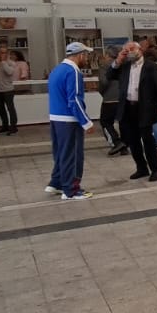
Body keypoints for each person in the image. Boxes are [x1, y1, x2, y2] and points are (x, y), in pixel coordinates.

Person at [114, 41, 157, 182]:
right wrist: (118, 60)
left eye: (131, 49)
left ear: (139, 50)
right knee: (133, 141)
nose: (129, 52)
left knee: (147, 140)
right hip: (128, 107)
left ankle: (155, 169)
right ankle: (142, 168)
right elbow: (110, 75)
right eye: (126, 50)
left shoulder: (151, 67)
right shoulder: (125, 66)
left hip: (145, 108)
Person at [47, 42, 94, 200]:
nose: (87, 58)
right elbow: (74, 100)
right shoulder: (73, 72)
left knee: (61, 153)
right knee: (72, 155)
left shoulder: (56, 70)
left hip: (55, 117)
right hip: (69, 120)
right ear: (80, 55)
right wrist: (86, 122)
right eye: (86, 55)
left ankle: (57, 182)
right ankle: (71, 189)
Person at [98, 46, 126, 156]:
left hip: (109, 99)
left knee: (105, 122)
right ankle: (124, 146)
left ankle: (116, 142)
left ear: (108, 55)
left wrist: (101, 92)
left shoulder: (104, 65)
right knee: (123, 122)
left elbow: (103, 82)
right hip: (123, 98)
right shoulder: (123, 64)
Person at [0, 46, 20, 135]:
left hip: (8, 90)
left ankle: (13, 127)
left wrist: (4, 62)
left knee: (10, 108)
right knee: (0, 109)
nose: (3, 54)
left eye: (5, 52)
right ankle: (4, 126)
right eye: (1, 52)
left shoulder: (11, 63)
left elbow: (9, 72)